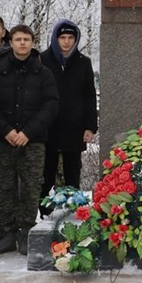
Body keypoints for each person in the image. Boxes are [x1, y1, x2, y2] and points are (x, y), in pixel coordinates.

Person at [0, 25, 59, 257]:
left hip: (33, 141)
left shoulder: (43, 72)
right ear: (12, 42)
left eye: (26, 39)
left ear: (33, 42)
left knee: (30, 186)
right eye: (18, 39)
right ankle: (5, 234)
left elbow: (51, 105)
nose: (22, 43)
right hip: (4, 140)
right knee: (2, 187)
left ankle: (26, 231)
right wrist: (6, 130)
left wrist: (28, 132)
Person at [40, 19, 98, 214]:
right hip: (48, 127)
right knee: (45, 174)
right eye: (62, 37)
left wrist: (90, 126)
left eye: (70, 37)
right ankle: (44, 215)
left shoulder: (83, 62)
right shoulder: (42, 60)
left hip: (74, 128)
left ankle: (74, 212)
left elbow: (90, 96)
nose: (66, 42)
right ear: (56, 38)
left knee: (72, 174)